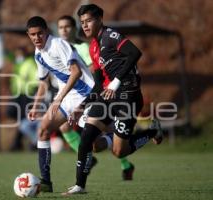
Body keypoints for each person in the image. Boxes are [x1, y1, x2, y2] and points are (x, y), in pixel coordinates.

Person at [63, 4, 162, 195]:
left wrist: (116, 82)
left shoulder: (110, 36)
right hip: (107, 97)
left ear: (100, 19)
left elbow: (135, 53)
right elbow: (99, 85)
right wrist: (82, 106)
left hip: (128, 96)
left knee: (120, 152)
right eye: (82, 22)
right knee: (87, 140)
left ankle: (151, 132)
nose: (85, 25)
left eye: (89, 20)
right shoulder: (93, 47)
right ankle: (80, 186)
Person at [57, 15, 135, 181]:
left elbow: (94, 71)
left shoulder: (83, 48)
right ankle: (91, 159)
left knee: (100, 133)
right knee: (65, 127)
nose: (63, 30)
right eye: (60, 27)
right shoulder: (58, 49)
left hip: (88, 94)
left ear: (73, 29)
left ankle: (125, 163)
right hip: (72, 97)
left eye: (67, 27)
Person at [26, 16, 95, 192]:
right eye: (32, 35)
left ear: (46, 31)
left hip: (86, 94)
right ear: (28, 35)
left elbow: (76, 72)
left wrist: (58, 99)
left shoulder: (58, 45)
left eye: (39, 33)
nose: (36, 38)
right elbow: (43, 83)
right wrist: (35, 106)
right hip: (68, 97)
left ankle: (147, 133)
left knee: (102, 144)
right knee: (43, 129)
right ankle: (46, 182)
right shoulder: (38, 53)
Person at [5, 47, 38, 151]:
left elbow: (35, 79)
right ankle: (20, 143)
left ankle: (22, 143)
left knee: (24, 119)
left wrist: (30, 86)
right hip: (17, 94)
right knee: (12, 113)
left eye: (20, 54)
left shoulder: (29, 63)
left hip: (26, 94)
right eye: (17, 54)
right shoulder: (18, 63)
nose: (18, 56)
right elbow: (8, 56)